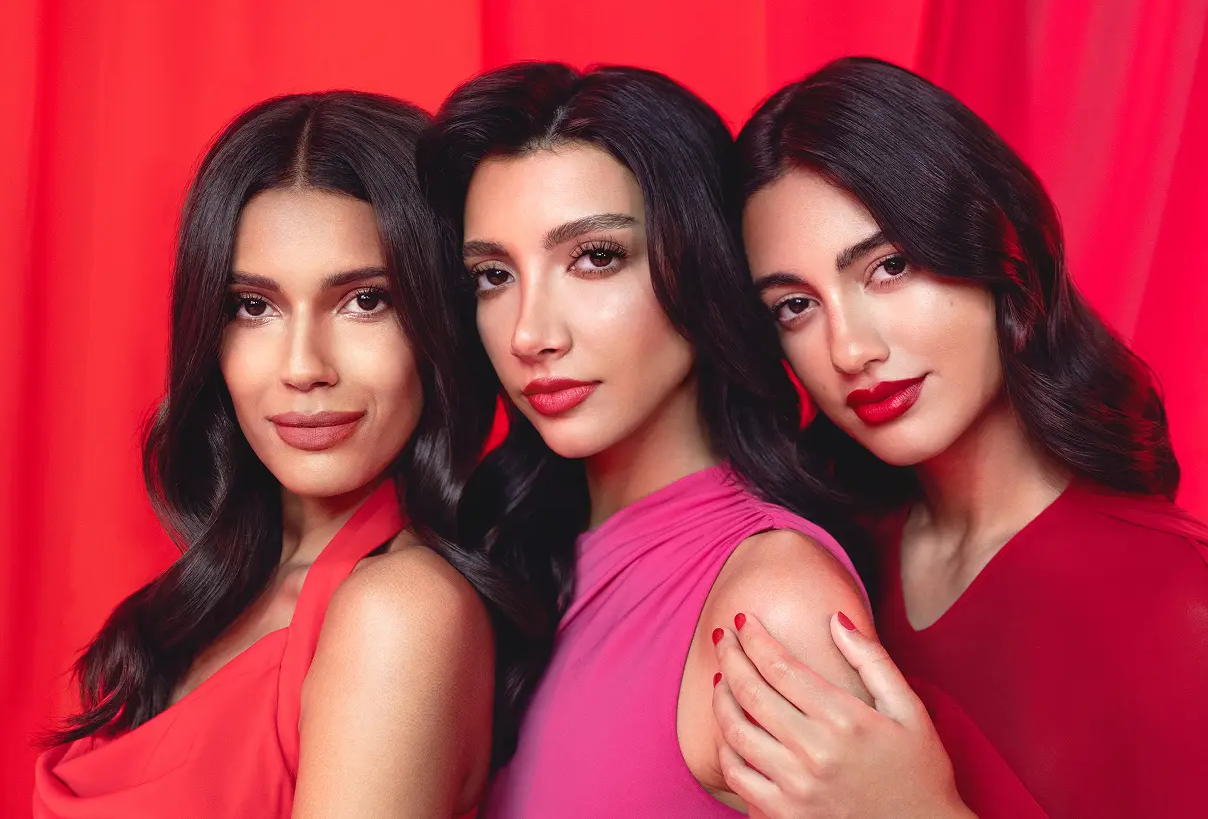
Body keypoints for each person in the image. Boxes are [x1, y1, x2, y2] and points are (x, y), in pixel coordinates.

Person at [718, 56, 1208, 819]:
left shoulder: (1173, 596)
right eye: (795, 306)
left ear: (991, 247)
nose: (850, 349)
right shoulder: (828, 554)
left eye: (888, 266)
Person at [34, 91, 514, 818]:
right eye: (253, 306)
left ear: (440, 319)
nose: (302, 367)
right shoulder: (213, 593)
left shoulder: (398, 614)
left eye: (366, 301)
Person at [418, 62, 874, 817]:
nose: (530, 333)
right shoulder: (518, 554)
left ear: (700, 262)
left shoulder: (771, 606)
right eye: (494, 275)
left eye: (595, 257)